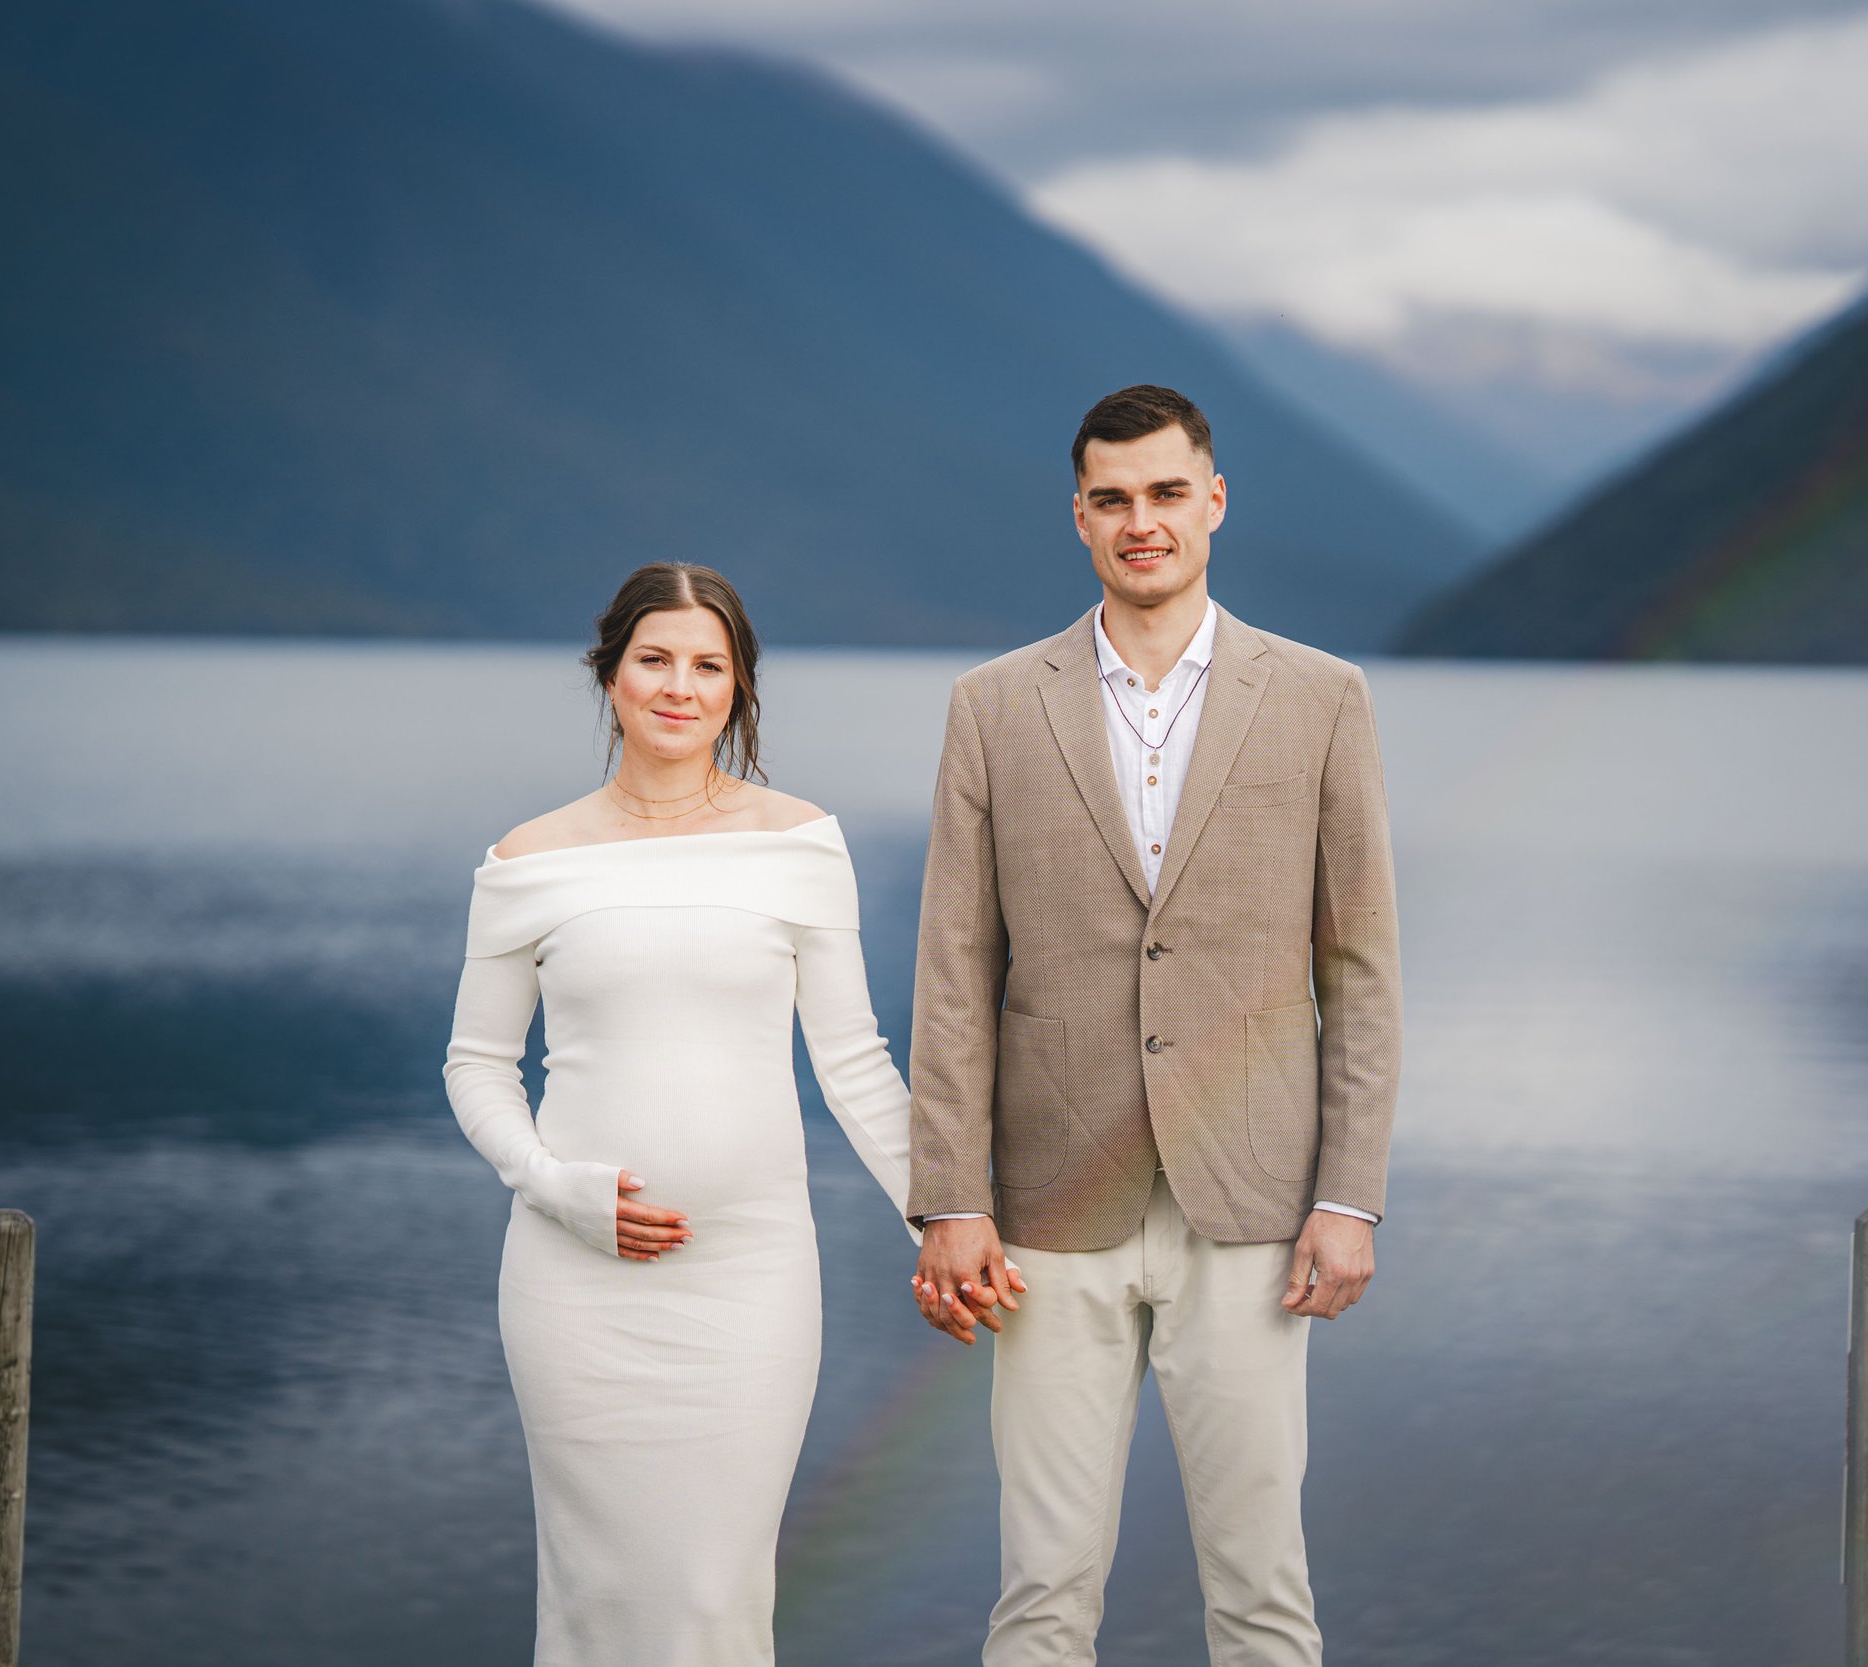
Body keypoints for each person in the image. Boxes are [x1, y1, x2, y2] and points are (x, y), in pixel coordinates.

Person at [905, 384, 1404, 1666]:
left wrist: (1349, 1196)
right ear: (1078, 517)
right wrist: (947, 1196)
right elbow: (956, 970)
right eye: (1113, 499)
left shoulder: (1320, 696)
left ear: (1214, 501)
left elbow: (1358, 966)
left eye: (1167, 493)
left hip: (1251, 1205)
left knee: (1260, 1589)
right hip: (1045, 1212)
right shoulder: (992, 705)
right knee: (1042, 1589)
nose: (1143, 522)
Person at [441, 562, 934, 1666]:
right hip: (573, 1283)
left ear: (739, 686)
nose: (679, 685)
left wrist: (939, 1216)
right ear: (609, 674)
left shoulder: (799, 845)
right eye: (653, 659)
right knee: (595, 1593)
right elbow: (476, 1066)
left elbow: (854, 1062)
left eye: (708, 664)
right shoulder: (528, 859)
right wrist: (555, 1185)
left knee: (717, 1592)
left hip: (749, 1278)